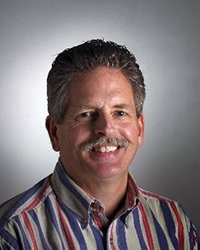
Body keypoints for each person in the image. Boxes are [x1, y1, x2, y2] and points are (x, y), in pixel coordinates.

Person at [0, 39, 199, 250]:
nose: (106, 128)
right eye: (86, 114)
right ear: (54, 132)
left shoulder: (173, 222)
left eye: (120, 113)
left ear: (139, 129)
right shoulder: (12, 232)